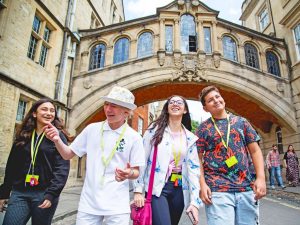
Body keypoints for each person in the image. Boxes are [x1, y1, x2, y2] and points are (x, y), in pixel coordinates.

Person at [44, 86, 145, 225]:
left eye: (113, 106)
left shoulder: (134, 137)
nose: (108, 109)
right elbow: (67, 155)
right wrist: (57, 140)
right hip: (89, 204)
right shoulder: (91, 129)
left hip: (117, 206)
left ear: (126, 112)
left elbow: (136, 172)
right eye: (106, 104)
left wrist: (128, 173)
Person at [195, 85, 266, 225]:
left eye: (217, 97)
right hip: (217, 189)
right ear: (205, 108)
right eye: (210, 100)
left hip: (246, 187)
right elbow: (197, 159)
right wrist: (202, 185)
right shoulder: (203, 128)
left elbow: (255, 151)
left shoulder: (241, 122)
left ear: (223, 99)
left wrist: (261, 178)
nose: (216, 101)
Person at [0, 98, 70, 225]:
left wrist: (51, 194)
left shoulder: (58, 137)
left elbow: (62, 168)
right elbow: (12, 165)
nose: (49, 113)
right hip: (20, 192)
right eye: (44, 109)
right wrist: (4, 192)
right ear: (34, 113)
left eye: (52, 110)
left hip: (44, 194)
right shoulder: (23, 134)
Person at [133, 95, 201, 225]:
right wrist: (137, 190)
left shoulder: (190, 138)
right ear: (167, 108)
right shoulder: (154, 131)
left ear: (185, 110)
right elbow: (141, 160)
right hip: (157, 187)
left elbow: (194, 170)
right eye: (171, 102)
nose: (175, 104)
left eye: (179, 102)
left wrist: (195, 202)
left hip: (179, 188)